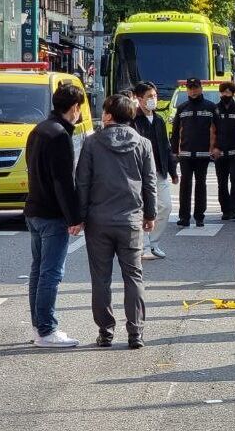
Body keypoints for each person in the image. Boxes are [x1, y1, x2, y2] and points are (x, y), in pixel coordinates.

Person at [77, 95, 157, 350]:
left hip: (98, 220)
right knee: (133, 276)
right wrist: (150, 215)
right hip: (131, 219)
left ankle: (106, 331)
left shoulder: (92, 143)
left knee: (101, 278)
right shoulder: (143, 143)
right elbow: (149, 183)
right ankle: (136, 332)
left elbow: (82, 182)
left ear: (109, 115)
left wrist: (79, 217)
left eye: (104, 111)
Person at [20, 81, 86, 348]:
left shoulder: (39, 129)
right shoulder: (60, 135)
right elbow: (63, 182)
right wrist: (74, 218)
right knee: (51, 273)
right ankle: (47, 330)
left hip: (34, 209)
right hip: (51, 213)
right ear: (75, 107)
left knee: (38, 271)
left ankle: (39, 326)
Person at [133, 81, 177, 259]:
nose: (153, 99)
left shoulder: (159, 120)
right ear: (139, 99)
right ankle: (142, 246)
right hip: (140, 173)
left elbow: (166, 147)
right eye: (149, 96)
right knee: (143, 209)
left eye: (155, 95)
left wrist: (173, 171)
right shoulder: (133, 120)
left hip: (159, 171)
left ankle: (153, 242)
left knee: (165, 206)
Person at [170, 77, 216, 227]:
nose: (193, 91)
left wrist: (215, 147)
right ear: (187, 90)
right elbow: (175, 132)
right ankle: (184, 217)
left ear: (201, 89)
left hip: (203, 154)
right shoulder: (182, 108)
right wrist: (174, 151)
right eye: (190, 88)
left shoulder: (210, 107)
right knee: (185, 185)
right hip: (185, 154)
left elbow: (218, 129)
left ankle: (199, 216)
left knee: (201, 185)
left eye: (195, 87)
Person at [213, 82, 235, 221]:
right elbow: (211, 131)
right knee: (222, 183)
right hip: (219, 152)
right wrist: (213, 147)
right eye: (223, 92)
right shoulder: (215, 109)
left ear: (233, 94)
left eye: (228, 92)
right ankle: (225, 210)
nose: (225, 95)